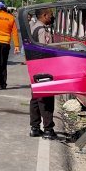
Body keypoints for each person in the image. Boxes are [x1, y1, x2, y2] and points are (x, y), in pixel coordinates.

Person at [28, 8, 57, 139]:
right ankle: (48, 129)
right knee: (46, 98)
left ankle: (35, 128)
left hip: (34, 66)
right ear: (44, 15)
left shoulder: (33, 27)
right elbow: (46, 49)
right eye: (50, 15)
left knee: (35, 98)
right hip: (43, 67)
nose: (51, 17)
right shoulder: (42, 30)